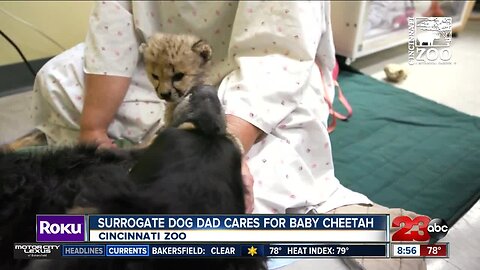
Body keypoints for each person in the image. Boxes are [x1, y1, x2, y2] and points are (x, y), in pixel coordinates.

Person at [31, 1, 425, 269]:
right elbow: (113, 20)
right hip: (166, 64)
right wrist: (94, 132)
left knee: (235, 194)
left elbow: (277, 53)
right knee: (57, 79)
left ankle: (347, 221)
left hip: (259, 79)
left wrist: (224, 146)